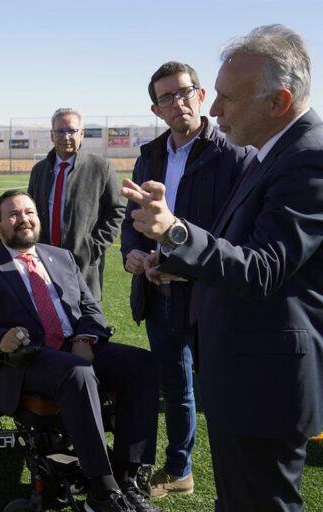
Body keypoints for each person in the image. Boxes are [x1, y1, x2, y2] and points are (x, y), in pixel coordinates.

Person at [122, 24, 323, 511]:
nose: (214, 109)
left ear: (277, 101)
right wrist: (165, 257)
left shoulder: (308, 159)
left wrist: (174, 233)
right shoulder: (272, 154)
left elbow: (262, 268)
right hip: (245, 375)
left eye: (227, 98)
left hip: (265, 384)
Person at [0, 190, 160, 512]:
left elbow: (92, 311)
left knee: (144, 365)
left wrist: (84, 340)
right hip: (22, 360)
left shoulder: (61, 257)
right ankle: (102, 492)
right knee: (76, 373)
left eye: (29, 212)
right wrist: (0, 339)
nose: (24, 219)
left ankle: (128, 479)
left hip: (75, 347)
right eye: (13, 214)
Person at [120, 61, 249, 498]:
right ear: (156, 110)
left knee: (222, 390)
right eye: (166, 98)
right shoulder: (149, 155)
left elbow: (239, 233)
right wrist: (133, 254)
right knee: (175, 386)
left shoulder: (233, 153)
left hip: (212, 295)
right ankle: (179, 469)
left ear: (200, 94)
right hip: (160, 294)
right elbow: (132, 221)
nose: (177, 103)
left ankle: (238, 475)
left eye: (183, 92)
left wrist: (186, 263)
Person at [27, 108, 125, 299]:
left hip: (83, 264)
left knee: (85, 319)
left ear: (82, 133)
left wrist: (93, 247)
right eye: (60, 131)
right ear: (52, 135)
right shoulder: (39, 170)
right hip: (44, 260)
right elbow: (30, 211)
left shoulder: (101, 167)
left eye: (71, 130)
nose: (66, 136)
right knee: (47, 316)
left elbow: (117, 210)